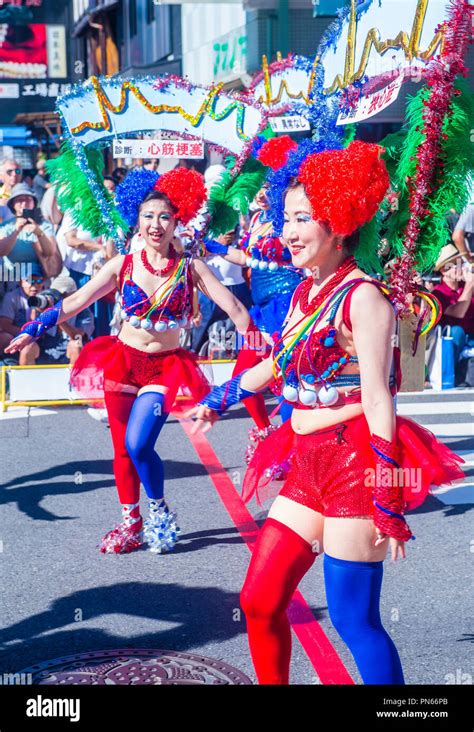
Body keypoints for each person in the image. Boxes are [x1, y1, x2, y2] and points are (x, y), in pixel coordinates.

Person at [186, 141, 464, 685]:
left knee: (353, 621)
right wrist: (217, 399)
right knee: (260, 600)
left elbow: (381, 397)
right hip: (305, 460)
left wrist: (388, 496)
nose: (287, 231)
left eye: (302, 218)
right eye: (285, 218)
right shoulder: (305, 293)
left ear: (337, 223)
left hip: (356, 463)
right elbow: (277, 364)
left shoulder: (364, 297)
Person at [7, 166, 253, 555]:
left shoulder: (191, 267)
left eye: (165, 217)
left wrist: (267, 344)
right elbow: (76, 301)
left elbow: (236, 306)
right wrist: (35, 327)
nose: (156, 224)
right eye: (148, 216)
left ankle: (159, 512)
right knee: (121, 449)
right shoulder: (122, 264)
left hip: (165, 366)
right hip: (122, 361)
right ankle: (131, 523)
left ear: (177, 223)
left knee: (139, 444)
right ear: (137, 221)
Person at [0, 183, 62, 279]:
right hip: (12, 277)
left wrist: (39, 233)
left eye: (28, 199)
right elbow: (1, 252)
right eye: (20, 200)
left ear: (34, 203)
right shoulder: (5, 226)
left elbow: (50, 252)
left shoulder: (44, 225)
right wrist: (16, 232)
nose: (24, 203)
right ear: (12, 204)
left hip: (37, 279)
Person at [432, 243, 474, 383]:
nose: (461, 268)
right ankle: (453, 375)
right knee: (457, 332)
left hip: (471, 337)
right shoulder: (438, 292)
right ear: (444, 270)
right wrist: (469, 286)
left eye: (462, 264)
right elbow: (459, 312)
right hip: (451, 341)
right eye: (456, 265)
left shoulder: (464, 286)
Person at [0, 158, 22, 224]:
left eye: (17, 171)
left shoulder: (29, 195)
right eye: (9, 171)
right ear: (1, 175)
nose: (14, 174)